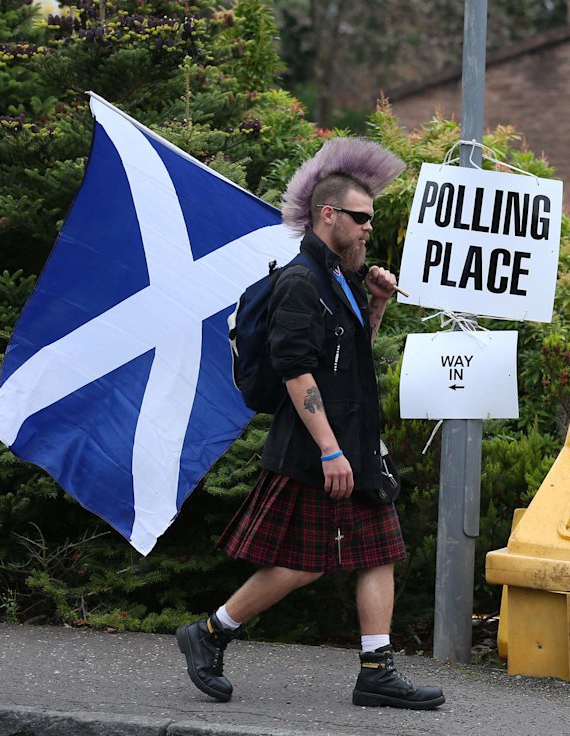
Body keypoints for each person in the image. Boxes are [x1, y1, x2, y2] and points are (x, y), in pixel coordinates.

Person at [176, 138, 445, 710]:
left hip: (354, 444)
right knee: (301, 563)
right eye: (362, 217)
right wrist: (329, 449)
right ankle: (209, 633)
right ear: (330, 215)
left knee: (379, 551)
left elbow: (347, 367)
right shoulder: (301, 280)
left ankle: (376, 670)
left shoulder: (339, 280)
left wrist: (374, 309)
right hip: (316, 447)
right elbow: (295, 368)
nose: (370, 228)